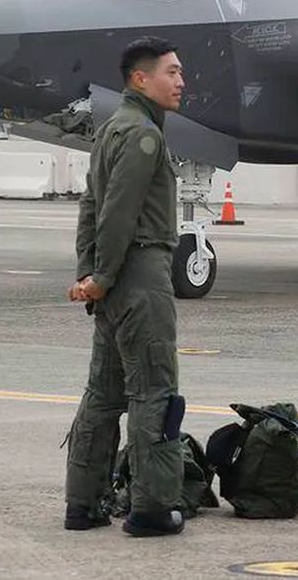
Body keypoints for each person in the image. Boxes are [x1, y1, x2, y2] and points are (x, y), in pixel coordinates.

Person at [63, 37, 187, 538]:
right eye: (172, 73)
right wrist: (107, 275)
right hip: (139, 275)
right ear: (141, 78)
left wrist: (89, 275)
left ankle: (82, 503)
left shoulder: (112, 128)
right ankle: (152, 508)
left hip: (112, 282)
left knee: (103, 392)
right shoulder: (143, 135)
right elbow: (117, 210)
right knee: (153, 391)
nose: (181, 82)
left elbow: (90, 207)